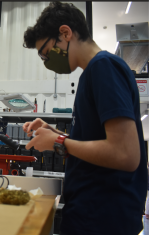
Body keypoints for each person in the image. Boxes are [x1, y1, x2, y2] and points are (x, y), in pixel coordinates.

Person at [22, 2, 147, 235]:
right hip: (95, 212)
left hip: (102, 217)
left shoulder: (103, 67)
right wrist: (54, 133)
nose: (47, 63)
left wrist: (58, 143)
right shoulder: (93, 73)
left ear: (65, 33)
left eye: (47, 54)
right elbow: (98, 143)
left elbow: (126, 155)